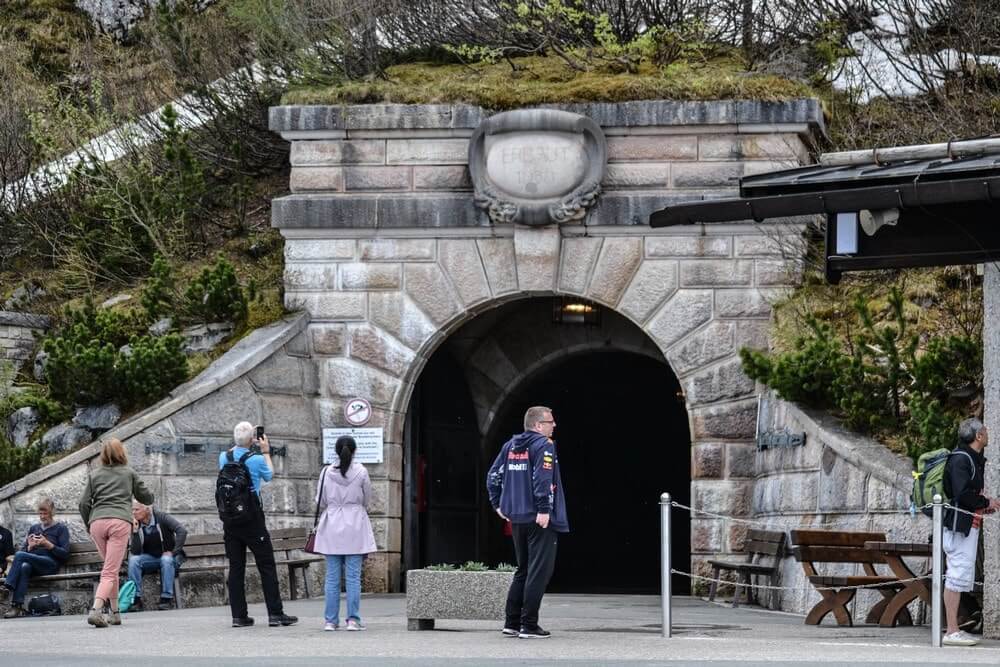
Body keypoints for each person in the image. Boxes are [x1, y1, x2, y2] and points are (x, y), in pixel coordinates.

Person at [486, 405, 569, 639]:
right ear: (537, 425)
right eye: (550, 422)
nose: (554, 425)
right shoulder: (544, 445)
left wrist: (498, 505)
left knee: (522, 570)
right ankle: (529, 625)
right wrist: (544, 509)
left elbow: (493, 476)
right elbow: (542, 478)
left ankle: (511, 622)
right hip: (539, 517)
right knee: (539, 572)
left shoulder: (510, 446)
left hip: (517, 518)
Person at [218, 421, 297, 628]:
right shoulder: (256, 459)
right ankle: (275, 613)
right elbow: (269, 476)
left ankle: (239, 616)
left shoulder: (223, 457)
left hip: (230, 520)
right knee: (266, 565)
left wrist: (242, 440)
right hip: (252, 518)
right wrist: (266, 452)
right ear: (252, 439)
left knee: (236, 567)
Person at [79, 438, 154, 628]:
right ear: (122, 453)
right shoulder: (129, 473)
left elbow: (83, 503)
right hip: (119, 522)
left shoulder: (94, 475)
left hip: (97, 523)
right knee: (110, 570)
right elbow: (145, 497)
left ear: (103, 455)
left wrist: (89, 523)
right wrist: (149, 495)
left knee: (109, 569)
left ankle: (115, 613)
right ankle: (96, 610)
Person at [941, 418, 1000, 647]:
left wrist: (986, 505)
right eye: (984, 430)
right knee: (956, 575)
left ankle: (954, 629)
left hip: (968, 525)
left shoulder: (971, 459)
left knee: (960, 574)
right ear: (978, 436)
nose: (987, 433)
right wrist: (986, 501)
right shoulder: (960, 459)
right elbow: (962, 494)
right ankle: (952, 631)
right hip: (958, 526)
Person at [313, 436, 376, 632]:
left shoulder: (326, 472)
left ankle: (330, 621)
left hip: (332, 524)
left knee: (332, 577)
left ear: (336, 451)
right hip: (355, 523)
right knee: (353, 577)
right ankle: (353, 620)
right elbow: (367, 499)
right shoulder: (362, 471)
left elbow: (320, 501)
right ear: (354, 450)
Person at [1, 499, 70, 618]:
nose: (42, 517)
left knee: (20, 556)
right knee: (24, 567)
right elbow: (23, 551)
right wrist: (29, 547)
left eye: (45, 513)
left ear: (52, 513)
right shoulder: (34, 528)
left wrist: (48, 545)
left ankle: (7, 586)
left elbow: (65, 555)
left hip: (50, 564)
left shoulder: (61, 529)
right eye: (40, 514)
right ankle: (16, 606)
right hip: (34, 564)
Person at [127, 501, 188, 611]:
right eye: (132, 510)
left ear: (147, 510)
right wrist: (135, 531)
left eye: (136, 509)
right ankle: (136, 599)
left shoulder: (162, 517)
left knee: (166, 559)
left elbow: (182, 531)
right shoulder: (137, 524)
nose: (133, 513)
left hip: (170, 558)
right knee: (134, 560)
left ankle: (166, 599)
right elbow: (135, 552)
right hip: (151, 558)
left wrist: (173, 552)